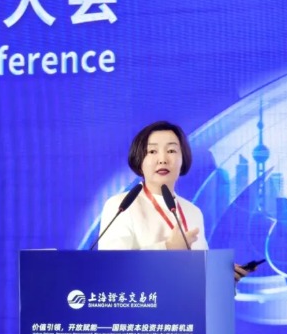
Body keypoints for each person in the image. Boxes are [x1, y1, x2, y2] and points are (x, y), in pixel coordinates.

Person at [97, 120, 253, 280]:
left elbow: (197, 274)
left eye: (171, 150)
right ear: (139, 160)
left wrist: (221, 277)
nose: (162, 159)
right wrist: (168, 248)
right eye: (152, 151)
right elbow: (111, 268)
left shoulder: (193, 212)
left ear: (183, 159)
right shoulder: (121, 205)